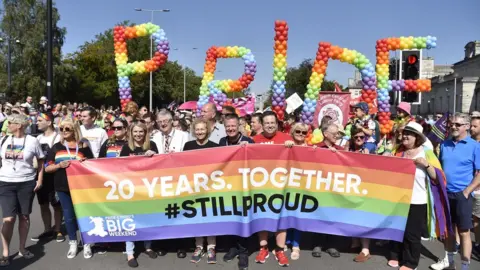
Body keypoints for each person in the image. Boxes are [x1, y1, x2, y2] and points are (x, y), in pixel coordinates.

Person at [390, 122, 448, 270]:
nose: (404, 136)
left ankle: (410, 263)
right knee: (397, 229)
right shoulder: (398, 150)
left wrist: (427, 165)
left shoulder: (427, 152)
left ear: (417, 137)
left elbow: (439, 177)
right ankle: (396, 255)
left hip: (418, 199)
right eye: (404, 133)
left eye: (409, 134)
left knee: (412, 233)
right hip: (399, 199)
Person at [431, 113, 480, 270]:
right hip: (446, 193)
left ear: (466, 126)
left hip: (462, 195)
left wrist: (467, 191)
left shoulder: (475, 146)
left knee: (464, 232)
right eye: (451, 124)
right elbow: (439, 168)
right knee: (449, 231)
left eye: (457, 124)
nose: (453, 126)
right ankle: (450, 263)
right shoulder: (445, 145)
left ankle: (465, 266)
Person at [45, 117, 94, 259]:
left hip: (82, 187)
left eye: (67, 129)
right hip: (62, 186)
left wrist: (84, 162)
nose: (64, 131)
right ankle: (73, 242)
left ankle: (86, 242)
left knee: (83, 215)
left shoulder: (83, 146)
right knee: (69, 216)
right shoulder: (57, 147)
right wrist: (59, 165)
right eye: (61, 129)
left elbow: (93, 165)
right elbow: (47, 167)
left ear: (74, 130)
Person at [0, 114, 45, 266]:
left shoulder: (32, 141)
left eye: (10, 123)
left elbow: (40, 161)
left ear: (19, 125)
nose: (8, 125)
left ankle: (22, 247)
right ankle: (5, 251)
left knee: (24, 217)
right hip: (6, 183)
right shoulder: (3, 140)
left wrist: (39, 180)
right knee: (9, 219)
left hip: (26, 183)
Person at [252, 111, 290, 266]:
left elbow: (303, 154)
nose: (269, 125)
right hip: (261, 185)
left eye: (272, 122)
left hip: (281, 185)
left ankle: (280, 250)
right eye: (266, 122)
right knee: (263, 217)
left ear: (277, 123)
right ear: (262, 124)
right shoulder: (254, 140)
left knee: (281, 218)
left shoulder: (286, 139)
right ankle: (264, 248)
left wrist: (292, 146)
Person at [119, 122, 158, 267]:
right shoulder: (126, 147)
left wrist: (154, 156)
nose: (138, 134)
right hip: (130, 189)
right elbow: (119, 167)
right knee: (130, 220)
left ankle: (148, 246)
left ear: (145, 133)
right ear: (131, 133)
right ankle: (130, 253)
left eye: (141, 132)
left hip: (148, 188)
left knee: (147, 218)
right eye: (135, 132)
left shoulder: (152, 145)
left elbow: (159, 166)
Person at [183, 118, 219, 264]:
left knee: (209, 216)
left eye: (202, 129)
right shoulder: (188, 146)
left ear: (208, 130)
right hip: (194, 188)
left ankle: (211, 247)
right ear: (193, 131)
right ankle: (198, 246)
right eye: (197, 129)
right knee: (197, 217)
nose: (200, 132)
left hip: (210, 188)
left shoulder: (215, 147)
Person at [219, 114, 253, 270]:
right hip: (228, 186)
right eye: (228, 127)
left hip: (245, 187)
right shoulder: (222, 142)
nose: (231, 129)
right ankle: (233, 247)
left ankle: (244, 252)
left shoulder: (249, 142)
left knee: (243, 218)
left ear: (239, 126)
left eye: (233, 126)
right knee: (230, 218)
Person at [31, 112, 64, 243]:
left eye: (39, 120)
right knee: (43, 204)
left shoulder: (58, 137)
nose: (36, 122)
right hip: (41, 175)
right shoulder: (37, 139)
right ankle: (47, 230)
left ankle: (58, 229)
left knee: (56, 204)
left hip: (55, 175)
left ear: (49, 122)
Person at [311, 123, 344, 259]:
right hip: (319, 187)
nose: (337, 135)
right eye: (334, 133)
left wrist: (339, 156)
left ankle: (331, 245)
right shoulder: (316, 148)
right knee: (320, 215)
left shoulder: (341, 150)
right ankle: (317, 244)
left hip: (335, 189)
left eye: (337, 133)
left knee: (333, 216)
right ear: (325, 134)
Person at [283, 122, 310, 261]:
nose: (300, 134)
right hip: (287, 185)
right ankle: (286, 240)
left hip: (303, 186)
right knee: (287, 213)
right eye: (298, 131)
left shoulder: (310, 149)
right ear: (292, 133)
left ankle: (296, 245)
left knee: (298, 214)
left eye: (303, 132)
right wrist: (286, 145)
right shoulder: (287, 146)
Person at [471, 116, 480, 253]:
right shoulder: (470, 143)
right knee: (476, 218)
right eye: (471, 126)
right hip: (471, 186)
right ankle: (478, 243)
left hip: (478, 187)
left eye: (475, 126)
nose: (471, 129)